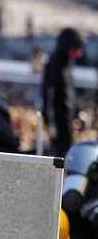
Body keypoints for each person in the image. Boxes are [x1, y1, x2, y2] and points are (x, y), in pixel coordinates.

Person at [42, 27, 85, 157]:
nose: (79, 53)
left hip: (68, 119)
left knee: (68, 151)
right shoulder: (54, 63)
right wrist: (50, 122)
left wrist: (77, 112)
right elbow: (48, 93)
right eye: (77, 48)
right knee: (61, 155)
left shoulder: (67, 63)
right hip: (59, 119)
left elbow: (71, 91)